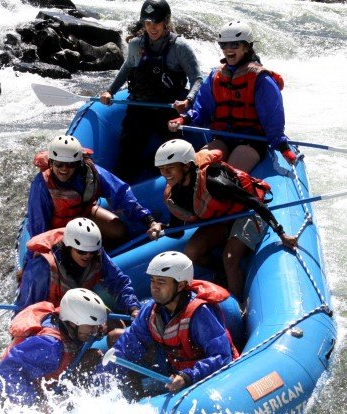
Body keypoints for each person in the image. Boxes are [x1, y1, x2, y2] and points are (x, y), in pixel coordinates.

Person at [153, 139, 298, 299]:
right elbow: (177, 231)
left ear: (186, 166)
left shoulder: (215, 181)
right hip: (222, 219)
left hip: (247, 212)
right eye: (162, 169)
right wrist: (160, 228)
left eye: (170, 168)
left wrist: (281, 233)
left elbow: (254, 202)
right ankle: (221, 272)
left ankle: (238, 303)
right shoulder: (176, 193)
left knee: (229, 258)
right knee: (191, 253)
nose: (165, 174)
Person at [168, 20, 297, 173]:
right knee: (197, 169)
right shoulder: (216, 76)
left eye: (235, 45)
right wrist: (184, 119)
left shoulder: (261, 79)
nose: (228, 49)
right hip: (223, 138)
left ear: (246, 47)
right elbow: (202, 108)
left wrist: (282, 146)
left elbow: (273, 117)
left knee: (228, 176)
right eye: (224, 45)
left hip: (251, 141)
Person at [98, 0, 203, 183]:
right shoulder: (136, 45)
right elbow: (126, 69)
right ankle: (121, 189)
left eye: (156, 22)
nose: (152, 28)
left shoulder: (180, 48)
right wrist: (110, 91)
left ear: (166, 21)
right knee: (128, 151)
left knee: (174, 155)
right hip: (139, 106)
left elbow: (197, 79)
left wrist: (188, 101)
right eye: (147, 23)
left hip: (168, 110)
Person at [109, 251, 238, 395]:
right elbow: (127, 345)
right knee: (117, 341)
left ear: (181, 285)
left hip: (204, 377)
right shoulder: (150, 310)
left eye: (161, 281)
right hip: (173, 369)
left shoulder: (200, 313)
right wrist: (103, 380)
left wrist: (187, 377)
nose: (154, 287)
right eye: (153, 280)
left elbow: (222, 357)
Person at [26, 134, 163, 250]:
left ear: (78, 163)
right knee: (71, 251)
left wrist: (149, 221)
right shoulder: (41, 184)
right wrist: (36, 255)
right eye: (59, 164)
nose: (64, 169)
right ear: (51, 163)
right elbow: (37, 224)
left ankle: (103, 254)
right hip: (59, 227)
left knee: (119, 231)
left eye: (70, 164)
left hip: (86, 213)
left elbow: (122, 195)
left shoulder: (90, 172)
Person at [15, 218, 141, 328]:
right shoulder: (42, 267)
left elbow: (118, 282)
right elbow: (26, 312)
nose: (87, 256)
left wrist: (133, 308)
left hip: (80, 306)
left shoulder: (96, 254)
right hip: (52, 317)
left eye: (91, 252)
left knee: (116, 325)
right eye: (81, 251)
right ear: (68, 247)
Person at [0, 288, 108, 407]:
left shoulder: (66, 319)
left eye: (97, 326)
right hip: (11, 394)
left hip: (45, 374)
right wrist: (36, 404)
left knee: (95, 356)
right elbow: (7, 370)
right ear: (74, 323)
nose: (95, 331)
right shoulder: (49, 346)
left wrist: (98, 328)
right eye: (91, 327)